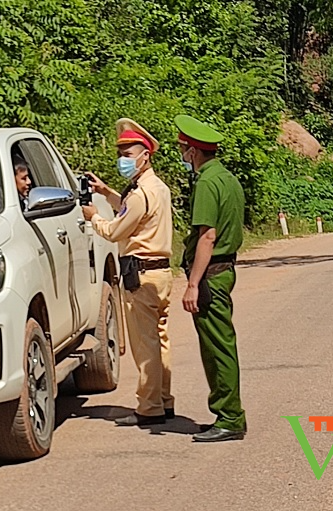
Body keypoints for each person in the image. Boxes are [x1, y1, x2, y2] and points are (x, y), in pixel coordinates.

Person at [82, 118, 175, 427]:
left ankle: (149, 408)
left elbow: (116, 230)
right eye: (120, 153)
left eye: (128, 153)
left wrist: (94, 217)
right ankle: (163, 399)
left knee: (144, 344)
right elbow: (132, 210)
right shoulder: (156, 189)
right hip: (160, 275)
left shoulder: (139, 194)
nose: (123, 159)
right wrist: (107, 191)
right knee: (159, 340)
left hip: (142, 277)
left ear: (145, 156)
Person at [176, 114, 247, 442]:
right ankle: (226, 413)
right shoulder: (228, 178)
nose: (182, 154)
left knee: (217, 347)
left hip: (211, 274)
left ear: (193, 151)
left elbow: (208, 236)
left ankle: (230, 417)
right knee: (220, 343)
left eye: (183, 148)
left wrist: (192, 283)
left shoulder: (206, 182)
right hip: (224, 270)